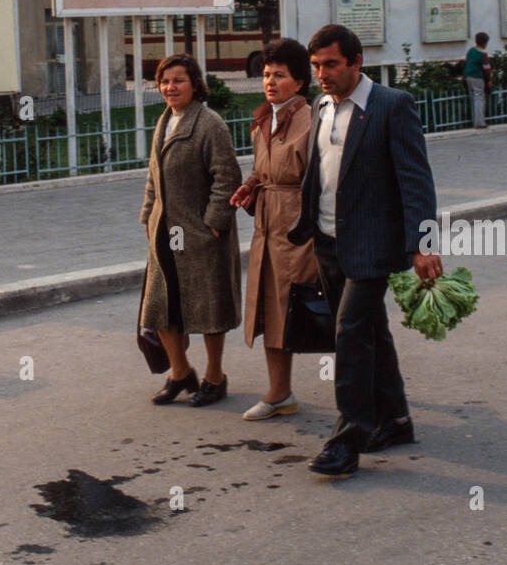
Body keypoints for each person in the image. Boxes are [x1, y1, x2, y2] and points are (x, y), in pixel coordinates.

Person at [288, 24, 440, 479]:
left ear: (357, 62)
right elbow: (320, 170)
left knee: (350, 334)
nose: (322, 75)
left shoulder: (392, 106)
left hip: (374, 243)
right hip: (328, 240)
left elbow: (417, 182)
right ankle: (394, 419)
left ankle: (348, 437)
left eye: (330, 65)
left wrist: (423, 244)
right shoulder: (320, 105)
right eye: (316, 66)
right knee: (371, 330)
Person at [139, 53, 242, 406]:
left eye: (178, 80)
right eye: (165, 81)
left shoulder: (209, 124)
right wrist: (147, 216)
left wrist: (214, 224)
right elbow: (154, 176)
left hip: (200, 234)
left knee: (209, 309)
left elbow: (226, 177)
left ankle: (215, 377)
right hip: (165, 232)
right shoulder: (164, 120)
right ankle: (180, 373)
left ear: (196, 85)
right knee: (161, 306)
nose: (170, 87)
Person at [229, 38, 319, 421]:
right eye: (266, 74)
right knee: (269, 309)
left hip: (300, 230)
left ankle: (369, 388)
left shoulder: (312, 121)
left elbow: (323, 180)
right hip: (266, 228)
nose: (270, 81)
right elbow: (262, 170)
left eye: (279, 75)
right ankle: (279, 393)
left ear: (299, 81)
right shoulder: (264, 119)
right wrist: (249, 186)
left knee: (312, 310)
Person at [463, 32, 491, 129]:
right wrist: (489, 80)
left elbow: (466, 62)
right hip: (477, 77)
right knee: (479, 99)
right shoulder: (483, 54)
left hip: (468, 76)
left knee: (473, 99)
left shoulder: (471, 51)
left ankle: (474, 121)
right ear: (484, 43)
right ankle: (480, 122)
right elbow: (487, 69)